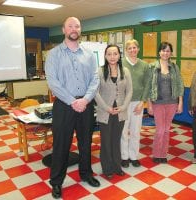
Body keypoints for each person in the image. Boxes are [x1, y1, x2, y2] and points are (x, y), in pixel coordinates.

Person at [45, 17, 100, 199]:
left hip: (86, 104)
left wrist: (85, 100)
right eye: (70, 26)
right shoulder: (53, 54)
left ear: (80, 29)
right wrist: (72, 101)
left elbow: (95, 79)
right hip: (64, 105)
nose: (74, 29)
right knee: (61, 145)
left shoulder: (89, 54)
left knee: (85, 143)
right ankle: (56, 182)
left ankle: (86, 174)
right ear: (63, 30)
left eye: (77, 26)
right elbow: (53, 82)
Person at [95, 44, 132, 179]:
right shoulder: (99, 71)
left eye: (115, 54)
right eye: (109, 54)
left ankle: (117, 166)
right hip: (105, 112)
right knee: (106, 141)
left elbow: (129, 91)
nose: (112, 57)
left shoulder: (125, 71)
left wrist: (123, 107)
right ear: (105, 56)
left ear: (119, 55)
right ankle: (107, 168)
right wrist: (106, 108)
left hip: (120, 112)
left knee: (116, 140)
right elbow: (96, 92)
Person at [147, 42, 184, 163]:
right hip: (157, 102)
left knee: (167, 129)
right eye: (163, 50)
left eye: (168, 51)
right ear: (159, 52)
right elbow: (148, 87)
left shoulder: (174, 67)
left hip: (172, 103)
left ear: (171, 53)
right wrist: (149, 104)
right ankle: (157, 154)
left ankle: (163, 155)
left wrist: (180, 102)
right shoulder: (152, 67)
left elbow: (179, 85)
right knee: (160, 130)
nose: (165, 53)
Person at [120, 39, 150, 168]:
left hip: (138, 103)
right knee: (123, 131)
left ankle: (133, 156)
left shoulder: (144, 65)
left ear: (138, 49)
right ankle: (124, 157)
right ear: (126, 50)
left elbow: (147, 85)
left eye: (134, 48)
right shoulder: (120, 63)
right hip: (123, 103)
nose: (132, 50)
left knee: (135, 131)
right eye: (130, 48)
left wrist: (142, 103)